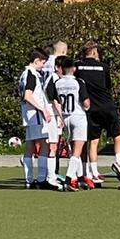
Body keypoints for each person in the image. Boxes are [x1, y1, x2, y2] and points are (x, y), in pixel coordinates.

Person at [75, 43, 120, 187]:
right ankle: (119, 163)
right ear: (94, 52)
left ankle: (94, 172)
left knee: (94, 141)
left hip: (91, 108)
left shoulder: (78, 67)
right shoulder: (104, 67)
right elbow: (108, 86)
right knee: (118, 136)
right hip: (107, 106)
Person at [47, 56, 92, 191]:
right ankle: (68, 180)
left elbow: (54, 99)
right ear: (73, 69)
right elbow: (86, 103)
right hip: (78, 116)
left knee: (73, 149)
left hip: (66, 117)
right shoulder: (79, 82)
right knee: (77, 151)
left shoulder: (58, 83)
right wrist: (86, 107)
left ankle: (79, 179)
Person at [18, 46, 57, 190]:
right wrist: (42, 109)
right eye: (42, 63)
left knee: (30, 146)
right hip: (35, 115)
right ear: (36, 61)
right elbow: (27, 95)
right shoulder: (31, 74)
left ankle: (29, 180)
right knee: (44, 145)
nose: (43, 66)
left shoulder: (24, 74)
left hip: (28, 115)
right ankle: (41, 178)